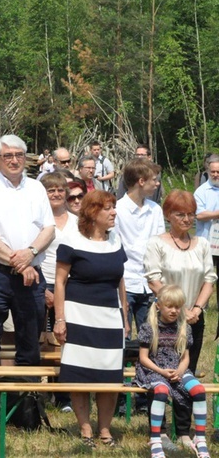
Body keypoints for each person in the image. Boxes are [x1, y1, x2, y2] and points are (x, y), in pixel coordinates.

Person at [0, 134, 54, 429]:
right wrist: (18, 261)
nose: (14, 160)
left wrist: (29, 254)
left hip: (30, 274)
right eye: (8, 156)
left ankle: (24, 410)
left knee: (30, 342)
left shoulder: (37, 188)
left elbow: (49, 229)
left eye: (19, 155)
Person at [53, 190, 128, 448]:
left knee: (109, 375)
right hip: (78, 316)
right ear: (93, 212)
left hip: (109, 318)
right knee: (80, 376)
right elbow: (60, 282)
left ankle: (105, 431)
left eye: (113, 207)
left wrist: (125, 317)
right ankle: (86, 431)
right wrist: (60, 319)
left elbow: (120, 282)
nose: (114, 212)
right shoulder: (71, 239)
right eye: (108, 208)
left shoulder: (116, 239)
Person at [143, 190, 216, 450]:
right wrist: (177, 307)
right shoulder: (157, 243)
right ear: (168, 216)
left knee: (187, 373)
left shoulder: (203, 244)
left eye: (190, 214)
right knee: (159, 375)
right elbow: (153, 278)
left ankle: (184, 432)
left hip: (194, 317)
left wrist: (196, 308)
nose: (187, 219)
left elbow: (209, 278)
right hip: (163, 318)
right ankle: (159, 432)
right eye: (180, 214)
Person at [135, 285, 210, 458]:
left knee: (198, 390)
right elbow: (143, 359)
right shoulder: (149, 328)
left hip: (177, 368)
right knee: (161, 390)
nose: (174, 311)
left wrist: (180, 371)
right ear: (159, 305)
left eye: (178, 307)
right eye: (170, 306)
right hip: (153, 369)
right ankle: (155, 439)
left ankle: (200, 438)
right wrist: (162, 371)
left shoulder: (184, 328)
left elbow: (185, 358)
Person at [39, 172, 78, 412]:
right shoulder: (37, 220)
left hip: (71, 286)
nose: (55, 194)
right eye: (50, 190)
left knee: (65, 341)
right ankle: (36, 393)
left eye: (60, 189)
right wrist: (43, 289)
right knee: (40, 340)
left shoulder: (77, 221)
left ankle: (64, 395)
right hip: (41, 283)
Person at [115, 158, 164, 336]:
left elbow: (160, 245)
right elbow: (115, 248)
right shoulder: (117, 210)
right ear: (141, 182)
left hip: (149, 282)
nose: (157, 184)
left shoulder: (155, 210)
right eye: (154, 180)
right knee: (122, 336)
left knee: (150, 337)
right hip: (126, 281)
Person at [194, 156, 219, 278]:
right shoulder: (201, 191)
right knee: (204, 280)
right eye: (212, 172)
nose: (215, 174)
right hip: (206, 242)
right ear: (208, 172)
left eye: (218, 172)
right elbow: (199, 215)